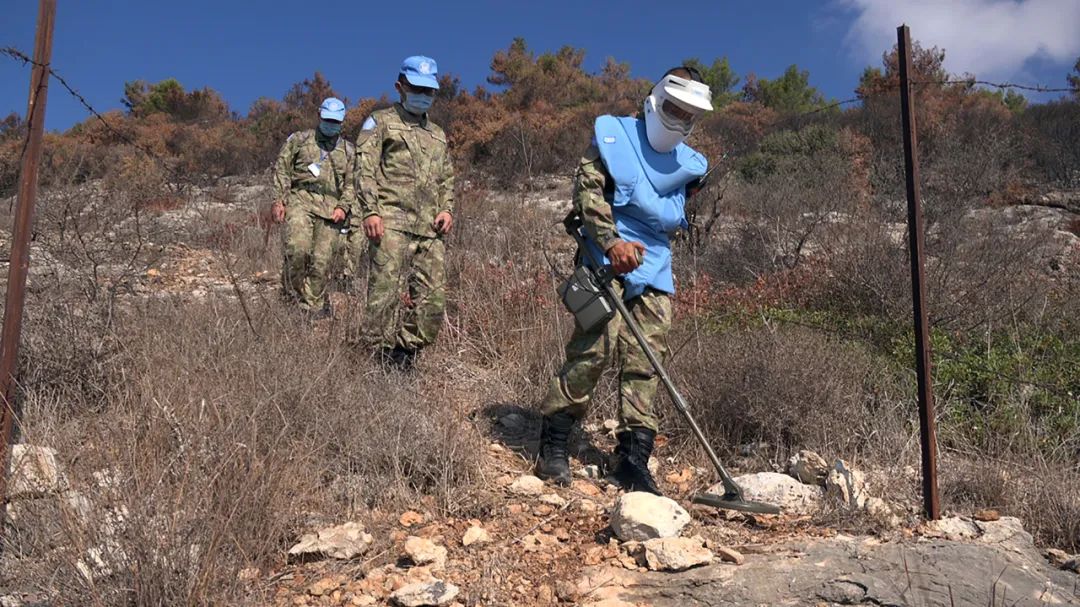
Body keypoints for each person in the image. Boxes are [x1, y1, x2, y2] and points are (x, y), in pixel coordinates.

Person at [535, 67, 714, 493]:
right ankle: (554, 444)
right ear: (654, 101)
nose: (679, 120)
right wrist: (611, 241)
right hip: (605, 257)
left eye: (690, 115)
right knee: (593, 349)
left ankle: (632, 459)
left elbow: (673, 210)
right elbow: (588, 193)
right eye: (674, 108)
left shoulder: (690, 163)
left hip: (655, 266)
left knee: (647, 362)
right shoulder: (612, 135)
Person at [355, 56, 454, 370]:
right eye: (417, 88)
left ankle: (405, 355)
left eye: (430, 90)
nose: (424, 95)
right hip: (390, 222)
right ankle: (376, 360)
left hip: (429, 229)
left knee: (433, 300)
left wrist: (446, 209)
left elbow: (446, 177)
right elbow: (364, 169)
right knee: (384, 295)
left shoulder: (438, 134)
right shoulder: (380, 121)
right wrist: (371, 211)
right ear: (400, 87)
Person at [271, 97, 355, 318]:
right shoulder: (299, 140)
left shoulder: (348, 151)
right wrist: (279, 199)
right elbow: (282, 168)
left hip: (331, 209)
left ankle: (310, 308)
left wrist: (344, 207)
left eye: (335, 122)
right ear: (319, 116)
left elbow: (352, 183)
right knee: (298, 250)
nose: (331, 125)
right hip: (301, 200)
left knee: (322, 261)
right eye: (327, 120)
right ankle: (291, 297)